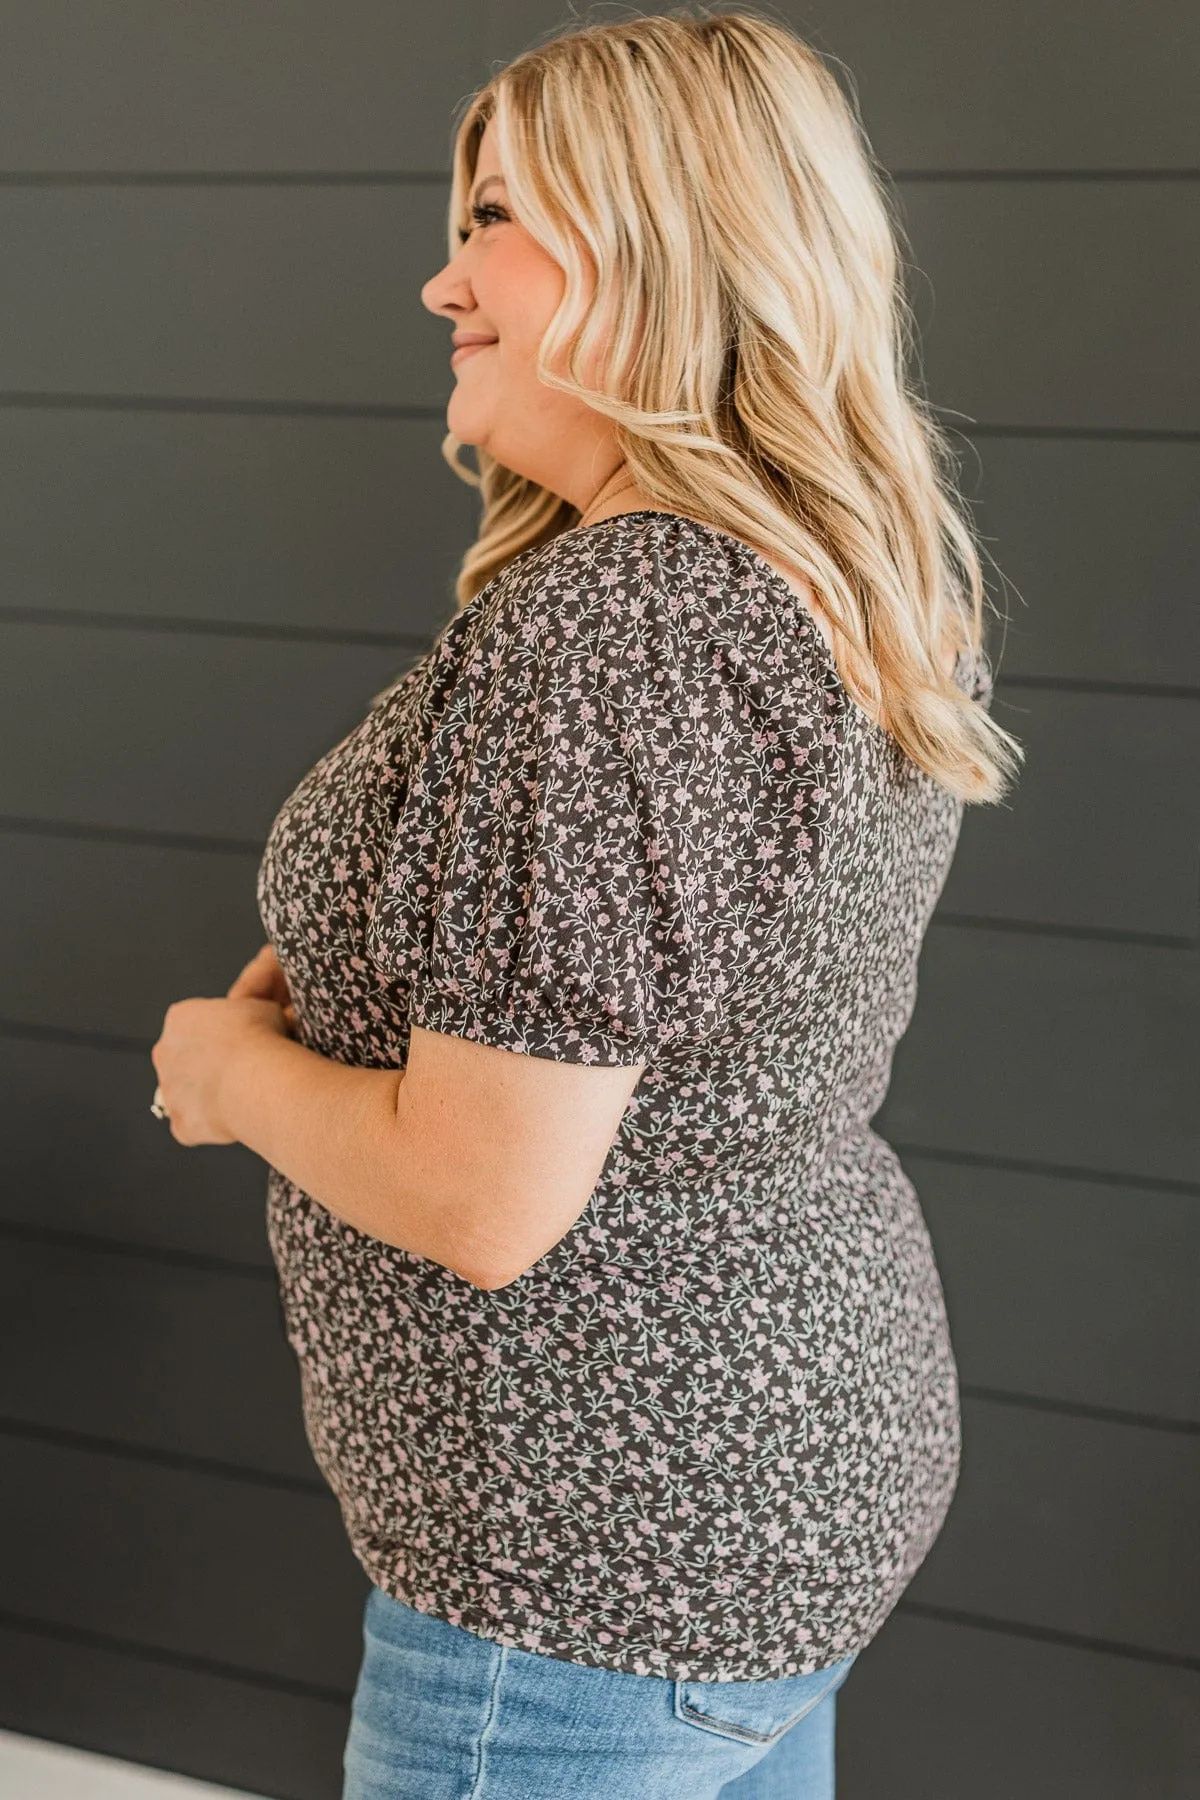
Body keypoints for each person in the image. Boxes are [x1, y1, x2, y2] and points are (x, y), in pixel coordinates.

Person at [149, 8, 1023, 1796]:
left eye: (495, 220)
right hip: (771, 1489)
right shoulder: (821, 577)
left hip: (589, 1568)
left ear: (671, 250)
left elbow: (484, 1198)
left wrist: (227, 1075)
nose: (441, 283)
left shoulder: (626, 631)